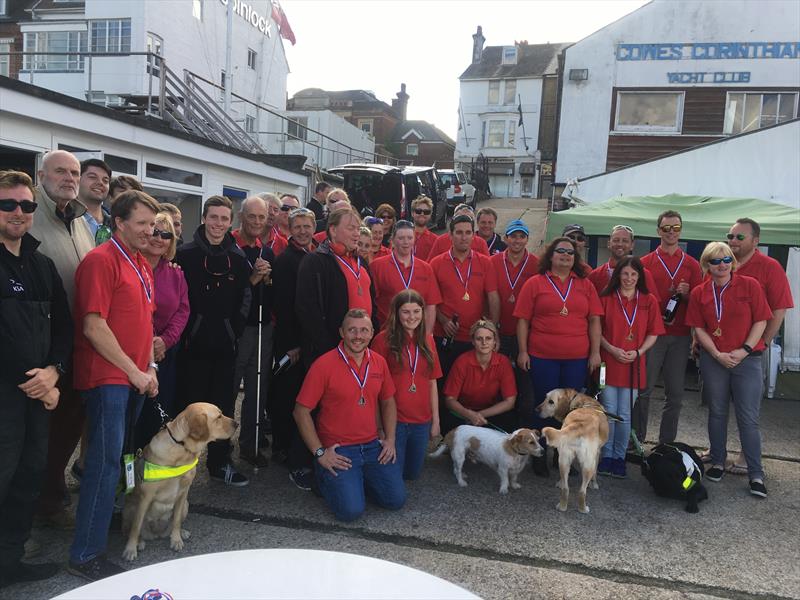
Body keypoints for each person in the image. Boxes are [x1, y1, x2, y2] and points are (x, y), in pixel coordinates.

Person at [69, 190, 160, 581]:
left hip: (134, 377)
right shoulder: (100, 261)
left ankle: (101, 523)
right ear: (118, 222)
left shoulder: (141, 262)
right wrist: (134, 371)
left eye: (152, 225)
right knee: (105, 466)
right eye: (140, 223)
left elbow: (144, 324)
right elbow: (94, 326)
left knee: (120, 459)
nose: (148, 231)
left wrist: (150, 367)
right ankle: (85, 554)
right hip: (109, 379)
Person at [0, 170, 71, 588]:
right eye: (8, 204)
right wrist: (32, 379)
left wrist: (54, 371)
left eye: (26, 205)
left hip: (40, 393)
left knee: (28, 477)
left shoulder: (41, 264)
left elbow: (64, 326)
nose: (18, 212)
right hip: (7, 395)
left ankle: (9, 561)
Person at [29, 150, 94, 530]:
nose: (69, 178)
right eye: (60, 171)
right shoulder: (28, 215)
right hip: (41, 345)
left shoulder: (80, 219)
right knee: (40, 429)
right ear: (41, 175)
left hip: (77, 344)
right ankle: (34, 503)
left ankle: (50, 493)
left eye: (74, 172)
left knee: (70, 421)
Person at [293, 309, 405, 522]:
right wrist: (320, 453)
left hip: (372, 445)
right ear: (341, 333)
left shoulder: (379, 362)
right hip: (339, 449)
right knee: (351, 512)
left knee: (395, 500)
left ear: (372, 333)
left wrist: (390, 439)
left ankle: (355, 481)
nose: (358, 336)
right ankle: (325, 476)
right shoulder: (323, 365)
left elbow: (388, 400)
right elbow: (301, 412)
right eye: (352, 330)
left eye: (364, 330)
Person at [685, 242, 771, 498]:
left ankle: (756, 473)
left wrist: (744, 349)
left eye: (725, 260)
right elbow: (698, 328)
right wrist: (716, 354)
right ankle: (719, 461)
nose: (721, 265)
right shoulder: (700, 292)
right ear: (706, 265)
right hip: (715, 360)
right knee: (717, 412)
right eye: (715, 261)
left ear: (732, 262)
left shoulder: (750, 286)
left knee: (748, 418)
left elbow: (761, 320)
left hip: (747, 359)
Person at [176, 195, 252, 487]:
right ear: (204, 218)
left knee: (222, 408)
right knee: (187, 408)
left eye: (224, 218)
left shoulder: (238, 258)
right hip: (190, 347)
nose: (218, 223)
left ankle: (220, 463)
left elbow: (245, 299)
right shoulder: (184, 254)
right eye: (213, 217)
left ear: (230, 222)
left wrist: (234, 331)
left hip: (224, 346)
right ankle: (180, 467)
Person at [514, 236, 602, 476]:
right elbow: (522, 320)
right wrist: (522, 351)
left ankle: (563, 455)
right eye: (560, 251)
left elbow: (594, 320)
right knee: (544, 408)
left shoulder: (586, 285)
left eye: (570, 253)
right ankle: (540, 453)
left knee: (569, 411)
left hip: (576, 358)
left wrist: (595, 352)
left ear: (575, 259)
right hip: (542, 357)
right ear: (551, 256)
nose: (565, 255)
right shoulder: (535, 283)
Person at [721, 218, 794, 474]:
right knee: (717, 407)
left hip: (749, 354)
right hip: (718, 353)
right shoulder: (722, 263)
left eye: (740, 237)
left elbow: (779, 308)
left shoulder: (769, 267)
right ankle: (717, 451)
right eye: (730, 236)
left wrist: (760, 343)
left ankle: (745, 457)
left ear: (756, 240)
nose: (733, 241)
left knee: (747, 410)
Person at [638, 211, 702, 444]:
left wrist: (688, 295)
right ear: (658, 231)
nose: (671, 233)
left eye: (676, 228)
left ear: (681, 230)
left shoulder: (692, 265)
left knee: (674, 395)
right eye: (666, 228)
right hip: (654, 337)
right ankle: (638, 441)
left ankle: (666, 444)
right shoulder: (645, 263)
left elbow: (700, 303)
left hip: (680, 336)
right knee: (643, 391)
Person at [597, 257, 664, 478]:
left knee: (625, 414)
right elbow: (597, 332)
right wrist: (613, 349)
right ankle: (606, 455)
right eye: (625, 274)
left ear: (639, 277)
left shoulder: (648, 300)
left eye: (633, 275)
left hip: (634, 365)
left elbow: (654, 333)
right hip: (608, 363)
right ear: (618, 275)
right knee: (608, 412)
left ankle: (619, 457)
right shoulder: (606, 297)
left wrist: (639, 352)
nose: (628, 278)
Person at [372, 290, 442, 480]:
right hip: (395, 420)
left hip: (421, 420)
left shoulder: (428, 339)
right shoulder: (382, 340)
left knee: (412, 474)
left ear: (423, 312)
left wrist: (435, 421)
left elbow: (432, 381)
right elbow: (373, 389)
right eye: (406, 312)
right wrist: (379, 427)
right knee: (393, 473)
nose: (412, 317)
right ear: (396, 313)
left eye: (416, 311)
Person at [271, 207, 318, 490]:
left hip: (309, 342)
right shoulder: (286, 260)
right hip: (292, 344)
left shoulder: (315, 256)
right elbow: (285, 307)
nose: (302, 231)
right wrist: (293, 346)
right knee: (287, 398)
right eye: (297, 226)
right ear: (289, 229)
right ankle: (284, 448)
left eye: (307, 226)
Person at [133, 211, 188, 451]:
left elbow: (183, 310)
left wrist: (165, 341)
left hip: (166, 354)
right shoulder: (131, 266)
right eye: (154, 231)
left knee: (156, 417)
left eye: (166, 234)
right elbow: (137, 310)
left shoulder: (176, 273)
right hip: (134, 355)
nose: (159, 238)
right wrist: (150, 343)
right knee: (130, 419)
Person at [296, 206, 376, 367]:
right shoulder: (315, 261)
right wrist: (329, 349)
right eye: (350, 228)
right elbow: (307, 310)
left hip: (361, 347)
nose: (356, 234)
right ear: (333, 230)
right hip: (330, 351)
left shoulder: (361, 262)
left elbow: (372, 300)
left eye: (358, 229)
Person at [231, 196, 275, 468]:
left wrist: (268, 280)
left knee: (258, 388)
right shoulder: (229, 247)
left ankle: (251, 443)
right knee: (230, 387)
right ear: (241, 216)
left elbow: (270, 295)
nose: (257, 222)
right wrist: (253, 279)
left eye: (262, 217)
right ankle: (220, 448)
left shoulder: (266, 252)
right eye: (252, 217)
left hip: (262, 327)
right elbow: (229, 294)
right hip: (238, 330)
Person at [429, 214, 500, 378]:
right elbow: (430, 301)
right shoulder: (436, 263)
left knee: (473, 383)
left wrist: (492, 329)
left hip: (475, 338)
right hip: (446, 336)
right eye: (459, 232)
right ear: (450, 235)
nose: (464, 237)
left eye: (468, 233)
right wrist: (444, 320)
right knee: (445, 383)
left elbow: (493, 297)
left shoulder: (485, 262)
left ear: (473, 235)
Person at [489, 220, 539, 422]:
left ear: (527, 239)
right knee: (497, 381)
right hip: (499, 331)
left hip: (524, 334)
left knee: (524, 380)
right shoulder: (493, 262)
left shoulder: (536, 264)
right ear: (506, 238)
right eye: (513, 236)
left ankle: (523, 425)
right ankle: (499, 424)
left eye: (521, 236)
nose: (517, 240)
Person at [441, 320, 517, 434]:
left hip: (490, 413)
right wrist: (468, 414)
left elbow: (510, 402)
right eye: (479, 338)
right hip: (462, 413)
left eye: (488, 338)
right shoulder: (462, 362)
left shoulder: (503, 362)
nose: (484, 342)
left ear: (495, 341)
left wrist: (479, 415)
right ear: (472, 341)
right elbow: (450, 400)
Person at [369, 220, 441, 330]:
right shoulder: (377, 266)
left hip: (416, 334)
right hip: (388, 332)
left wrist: (427, 336)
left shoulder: (426, 268)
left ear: (414, 240)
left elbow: (430, 306)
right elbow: (371, 303)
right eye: (401, 238)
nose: (406, 242)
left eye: (409, 238)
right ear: (392, 240)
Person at [588, 225, 658, 297]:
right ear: (609, 244)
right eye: (616, 240)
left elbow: (653, 304)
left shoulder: (644, 274)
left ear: (632, 245)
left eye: (625, 241)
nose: (620, 244)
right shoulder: (594, 276)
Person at [77, 159, 112, 245]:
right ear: (77, 180)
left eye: (105, 180)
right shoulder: (66, 219)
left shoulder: (116, 224)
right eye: (92, 177)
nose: (100, 183)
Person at [410, 195, 438, 260]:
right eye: (418, 211)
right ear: (412, 213)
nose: (422, 214)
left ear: (430, 215)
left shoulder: (436, 240)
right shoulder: (402, 236)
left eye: (426, 212)